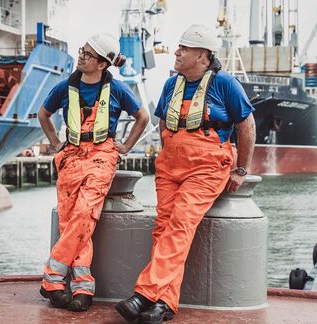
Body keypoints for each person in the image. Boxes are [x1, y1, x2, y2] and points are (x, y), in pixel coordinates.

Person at [115, 24, 256, 323]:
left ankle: (145, 293)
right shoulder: (170, 85)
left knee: (179, 224)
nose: (176, 53)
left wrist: (240, 169)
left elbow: (247, 127)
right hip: (170, 165)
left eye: (184, 48)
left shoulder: (226, 84)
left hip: (206, 167)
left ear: (203, 55)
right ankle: (165, 303)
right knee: (164, 228)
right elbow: (165, 124)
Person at [38, 33, 150, 312]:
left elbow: (143, 118)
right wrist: (55, 144)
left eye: (88, 54)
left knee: (84, 213)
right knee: (73, 224)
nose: (82, 56)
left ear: (102, 64)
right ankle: (83, 287)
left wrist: (124, 146)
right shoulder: (64, 89)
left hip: (101, 156)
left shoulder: (119, 90)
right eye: (82, 51)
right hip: (71, 157)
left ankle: (52, 279)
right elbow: (43, 114)